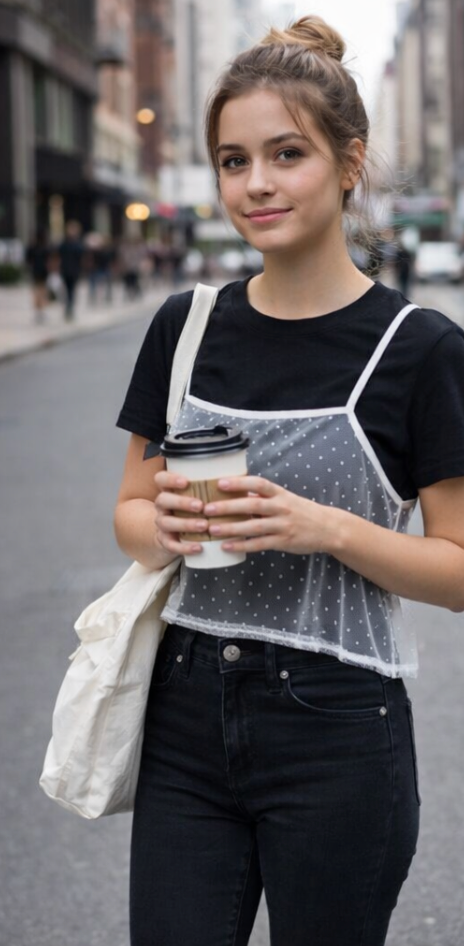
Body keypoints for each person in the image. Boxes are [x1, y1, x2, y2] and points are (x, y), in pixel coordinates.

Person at [114, 16, 464, 946]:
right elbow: (128, 510)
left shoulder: (420, 350)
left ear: (348, 165)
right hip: (184, 717)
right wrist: (167, 531)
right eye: (233, 160)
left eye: (286, 154)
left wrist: (327, 528)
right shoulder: (184, 327)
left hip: (339, 729)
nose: (256, 184)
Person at [59, 220, 83, 320]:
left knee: (72, 290)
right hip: (65, 270)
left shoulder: (78, 244)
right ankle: (68, 307)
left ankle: (70, 307)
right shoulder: (64, 243)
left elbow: (81, 256)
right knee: (67, 290)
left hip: (74, 271)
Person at [25, 229, 51, 324]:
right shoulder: (45, 247)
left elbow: (27, 260)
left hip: (36, 272)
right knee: (42, 291)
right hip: (43, 272)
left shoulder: (32, 247)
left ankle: (38, 311)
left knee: (37, 292)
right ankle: (41, 311)